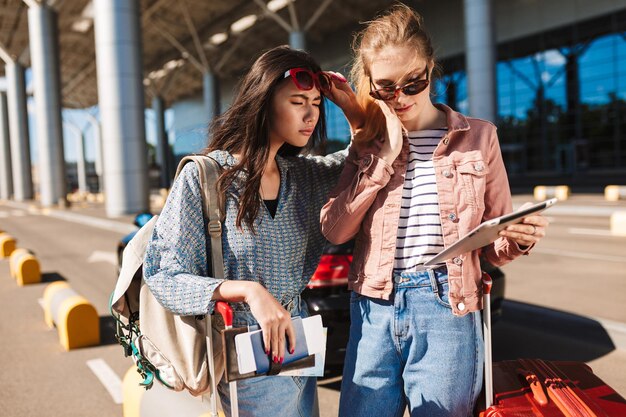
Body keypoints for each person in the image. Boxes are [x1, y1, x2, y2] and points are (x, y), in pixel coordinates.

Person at [320, 5, 550, 417]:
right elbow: (335, 231)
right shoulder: (368, 143)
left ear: (430, 69)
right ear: (370, 84)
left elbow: (493, 245)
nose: (401, 97)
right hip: (374, 305)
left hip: (448, 305)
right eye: (386, 87)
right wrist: (383, 156)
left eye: (414, 83)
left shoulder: (479, 138)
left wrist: (515, 241)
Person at [143, 45, 362, 417]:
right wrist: (247, 292)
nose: (311, 115)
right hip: (245, 351)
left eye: (316, 103)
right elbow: (163, 275)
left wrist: (351, 105)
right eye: (297, 102)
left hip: (299, 342)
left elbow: (363, 158)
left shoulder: (305, 176)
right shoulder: (206, 177)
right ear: (262, 103)